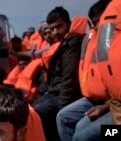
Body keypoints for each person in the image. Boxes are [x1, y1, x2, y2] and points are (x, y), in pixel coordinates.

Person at [56, 1, 112, 140]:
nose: (100, 26)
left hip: (113, 105)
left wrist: (106, 107)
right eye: (95, 22)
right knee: (63, 117)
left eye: (102, 20)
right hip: (102, 99)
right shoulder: (94, 39)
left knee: (83, 135)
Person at [32, 6, 84, 141]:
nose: (55, 32)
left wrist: (62, 108)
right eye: (52, 29)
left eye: (59, 26)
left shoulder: (71, 44)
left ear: (69, 23)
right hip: (53, 91)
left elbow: (69, 79)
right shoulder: (63, 43)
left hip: (63, 94)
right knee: (32, 109)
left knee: (36, 113)